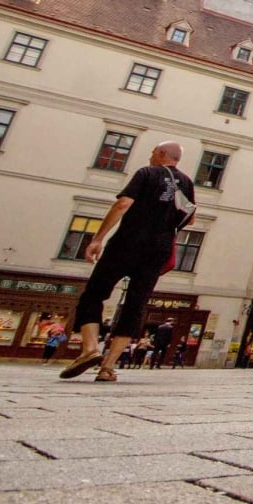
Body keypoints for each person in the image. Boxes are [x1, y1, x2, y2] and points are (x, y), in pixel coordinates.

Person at [58, 142, 195, 384]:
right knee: (136, 304)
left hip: (128, 242)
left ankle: (90, 349)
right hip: (159, 249)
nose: (150, 156)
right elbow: (190, 218)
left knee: (94, 294)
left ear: (161, 154)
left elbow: (123, 204)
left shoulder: (147, 173)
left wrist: (98, 238)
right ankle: (108, 367)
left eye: (153, 152)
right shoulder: (185, 183)